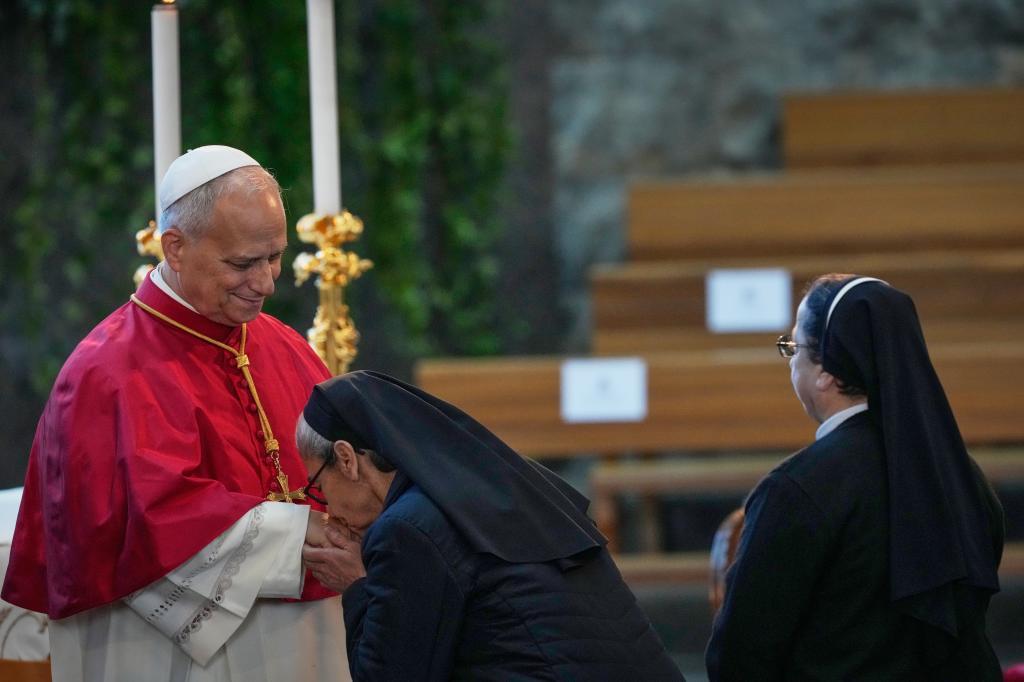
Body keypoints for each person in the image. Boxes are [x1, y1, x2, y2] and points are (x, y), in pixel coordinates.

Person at [2, 145, 349, 681]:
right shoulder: (106, 371)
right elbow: (146, 523)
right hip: (166, 656)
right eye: (243, 263)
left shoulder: (283, 345)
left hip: (303, 641)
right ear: (175, 247)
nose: (267, 282)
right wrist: (299, 533)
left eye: (275, 255)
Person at [705, 274, 1004, 680]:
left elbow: (739, 656)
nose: (790, 359)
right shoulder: (965, 477)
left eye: (793, 347)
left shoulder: (795, 490)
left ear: (826, 370)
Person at [296, 370, 685, 681]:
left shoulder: (406, 529)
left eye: (318, 486)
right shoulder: (501, 481)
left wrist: (358, 586)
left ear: (346, 459)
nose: (326, 506)